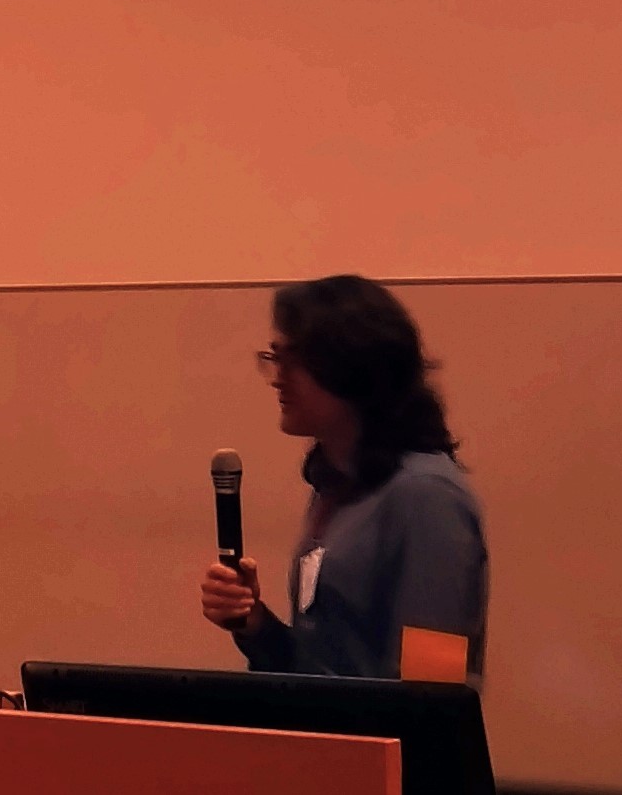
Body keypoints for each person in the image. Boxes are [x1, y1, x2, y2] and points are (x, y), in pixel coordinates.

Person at [200, 274, 487, 681]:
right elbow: (322, 672)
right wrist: (255, 624)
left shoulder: (425, 497)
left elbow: (432, 689)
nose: (278, 377)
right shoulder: (335, 488)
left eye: (294, 360)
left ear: (351, 366)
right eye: (274, 358)